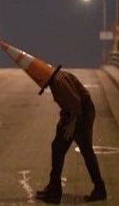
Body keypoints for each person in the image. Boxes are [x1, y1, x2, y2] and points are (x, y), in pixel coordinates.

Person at [36, 69, 106, 204]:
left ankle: (55, 191)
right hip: (79, 112)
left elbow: (75, 103)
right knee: (70, 148)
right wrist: (64, 121)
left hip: (80, 114)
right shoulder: (59, 76)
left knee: (60, 148)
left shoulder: (57, 83)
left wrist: (71, 126)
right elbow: (70, 104)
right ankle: (98, 188)